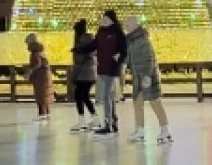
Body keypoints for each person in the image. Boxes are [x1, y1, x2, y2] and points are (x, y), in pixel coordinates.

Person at [77, 9, 126, 138]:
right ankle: (112, 123)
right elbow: (94, 45)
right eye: (102, 18)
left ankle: (108, 125)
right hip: (102, 68)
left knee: (106, 97)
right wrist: (80, 49)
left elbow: (124, 49)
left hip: (111, 68)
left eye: (106, 19)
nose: (103, 20)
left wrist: (119, 58)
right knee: (108, 96)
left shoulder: (117, 32)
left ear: (111, 20)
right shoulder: (101, 32)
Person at [123, 16, 172, 145]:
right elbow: (129, 58)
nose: (125, 28)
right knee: (137, 103)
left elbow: (149, 58)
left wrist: (146, 77)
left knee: (155, 103)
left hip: (147, 77)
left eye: (127, 26)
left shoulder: (142, 40)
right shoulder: (131, 40)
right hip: (138, 77)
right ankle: (140, 130)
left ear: (134, 26)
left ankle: (165, 130)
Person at [67, 19, 97, 131]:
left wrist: (74, 76)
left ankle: (81, 121)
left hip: (82, 74)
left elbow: (78, 63)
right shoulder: (91, 41)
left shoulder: (80, 44)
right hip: (91, 73)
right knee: (85, 96)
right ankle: (95, 118)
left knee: (79, 96)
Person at [25, 33, 52, 122]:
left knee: (40, 94)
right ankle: (47, 112)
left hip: (40, 76)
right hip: (45, 74)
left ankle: (42, 114)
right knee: (45, 94)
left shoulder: (34, 52)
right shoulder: (41, 51)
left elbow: (37, 64)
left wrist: (29, 71)